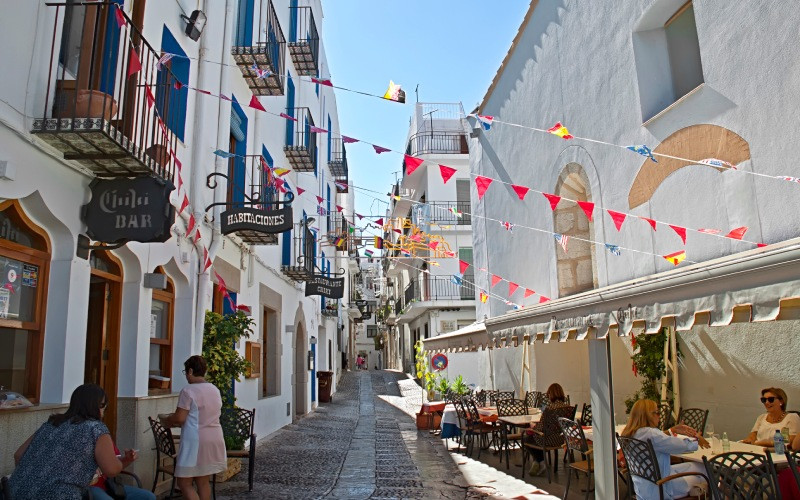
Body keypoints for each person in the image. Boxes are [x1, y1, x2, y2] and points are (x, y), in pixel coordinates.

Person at [8, 384, 153, 500]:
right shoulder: (96, 429)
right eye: (104, 406)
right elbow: (111, 469)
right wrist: (124, 461)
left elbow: (19, 455)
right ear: (99, 407)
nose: (104, 411)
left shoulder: (51, 423)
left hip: (15, 491)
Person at [161, 356, 227, 500]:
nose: (186, 376)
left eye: (185, 372)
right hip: (214, 437)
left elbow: (180, 418)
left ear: (190, 371)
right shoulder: (214, 389)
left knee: (184, 482)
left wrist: (167, 420)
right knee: (203, 481)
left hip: (196, 441)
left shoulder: (188, 390)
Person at [621, 399, 709, 499]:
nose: (659, 416)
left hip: (643, 485)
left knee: (698, 466)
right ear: (648, 415)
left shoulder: (630, 433)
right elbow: (682, 446)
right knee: (707, 476)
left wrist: (672, 430)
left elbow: (659, 440)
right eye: (657, 413)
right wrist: (696, 438)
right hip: (662, 488)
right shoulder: (652, 433)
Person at [526, 383, 570, 475]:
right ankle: (537, 462)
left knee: (527, 439)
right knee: (535, 438)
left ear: (551, 394)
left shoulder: (549, 409)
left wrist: (533, 427)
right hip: (563, 440)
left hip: (548, 439)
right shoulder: (568, 408)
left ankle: (541, 461)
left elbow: (540, 428)